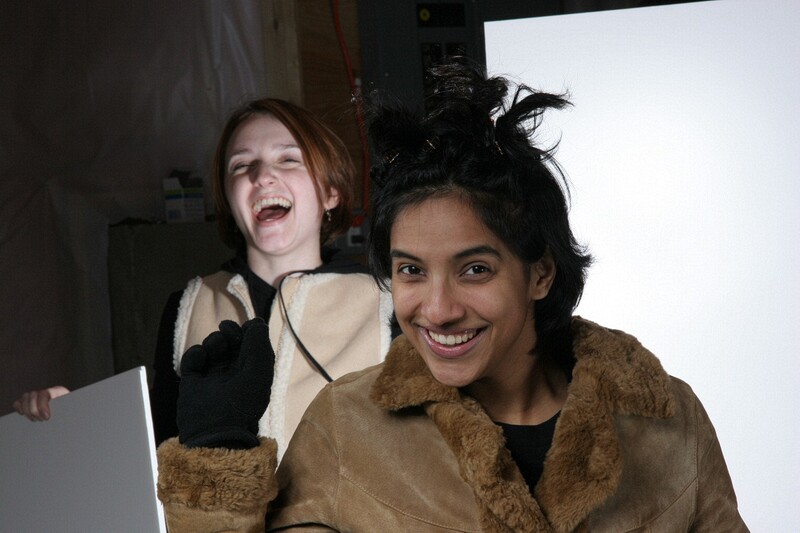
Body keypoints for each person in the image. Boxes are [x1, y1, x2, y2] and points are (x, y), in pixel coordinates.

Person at [156, 61, 748, 532]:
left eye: (475, 270)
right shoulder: (346, 428)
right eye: (412, 271)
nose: (437, 309)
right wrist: (218, 456)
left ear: (540, 273)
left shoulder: (666, 421)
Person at [14, 98, 395, 460]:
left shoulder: (387, 302)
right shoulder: (186, 304)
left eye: (288, 159)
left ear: (330, 192)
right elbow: (163, 445)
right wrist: (75, 416)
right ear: (228, 199)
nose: (263, 176)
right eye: (241, 165)